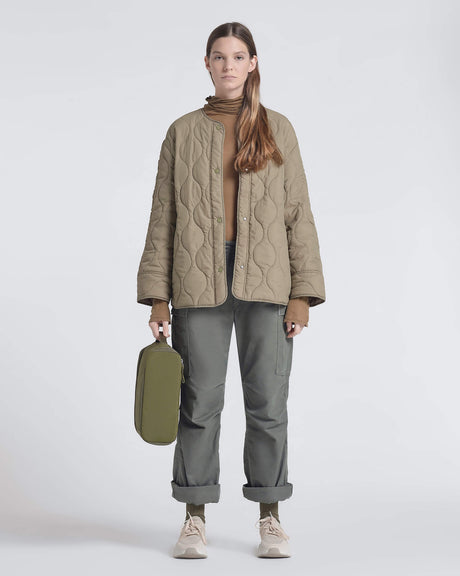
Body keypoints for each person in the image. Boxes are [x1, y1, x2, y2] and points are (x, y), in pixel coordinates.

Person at [137, 21, 326, 559]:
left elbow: (298, 213)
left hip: (268, 281)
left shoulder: (278, 128)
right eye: (219, 56)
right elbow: (163, 216)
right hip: (197, 279)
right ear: (207, 64)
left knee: (268, 402)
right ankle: (194, 517)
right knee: (199, 402)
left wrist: (303, 293)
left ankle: (270, 516)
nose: (228, 65)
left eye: (238, 56)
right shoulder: (182, 132)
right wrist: (157, 296)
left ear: (253, 63)